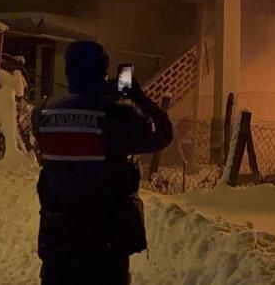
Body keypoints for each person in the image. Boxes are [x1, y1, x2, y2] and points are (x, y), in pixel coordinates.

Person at [32, 41, 173, 285]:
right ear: (103, 72)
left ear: (68, 71)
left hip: (58, 241)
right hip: (105, 244)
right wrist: (139, 98)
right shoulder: (118, 115)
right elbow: (162, 135)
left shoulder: (42, 113)